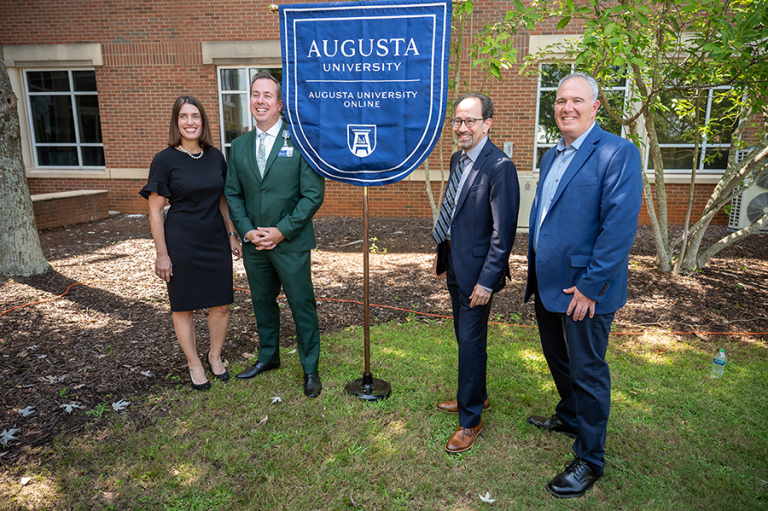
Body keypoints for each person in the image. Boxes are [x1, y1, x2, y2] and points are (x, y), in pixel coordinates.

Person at [524, 72, 642, 498]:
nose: (566, 107)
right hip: (548, 283)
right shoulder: (552, 155)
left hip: (585, 291)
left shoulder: (617, 152)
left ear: (595, 106)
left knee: (588, 371)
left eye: (576, 100)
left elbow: (618, 229)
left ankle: (590, 459)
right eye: (559, 101)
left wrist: (592, 287)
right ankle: (570, 415)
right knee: (558, 359)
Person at [224, 72, 325, 398]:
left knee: (302, 305)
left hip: (291, 242)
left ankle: (310, 368)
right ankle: (269, 357)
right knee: (262, 303)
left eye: (268, 95)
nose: (260, 100)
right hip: (255, 244)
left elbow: (313, 195)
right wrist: (246, 230)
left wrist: (281, 231)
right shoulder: (238, 147)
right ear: (249, 101)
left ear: (280, 104)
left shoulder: (301, 142)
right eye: (255, 94)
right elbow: (233, 194)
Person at [432, 93, 519, 453]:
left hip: (478, 274)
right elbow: (455, 210)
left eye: (470, 121)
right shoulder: (457, 159)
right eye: (457, 121)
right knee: (466, 337)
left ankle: (470, 420)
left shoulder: (500, 166)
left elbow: (504, 232)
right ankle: (477, 396)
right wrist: (443, 254)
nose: (462, 127)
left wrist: (487, 280)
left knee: (469, 343)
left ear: (487, 124)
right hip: (455, 262)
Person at [140, 96, 242, 391]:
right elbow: (156, 210)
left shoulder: (215, 156)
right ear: (176, 122)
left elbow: (222, 200)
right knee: (183, 307)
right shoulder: (164, 160)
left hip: (214, 239)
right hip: (181, 241)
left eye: (195, 116)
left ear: (203, 121)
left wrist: (231, 234)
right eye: (183, 116)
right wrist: (162, 254)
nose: (190, 122)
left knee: (222, 303)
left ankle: (214, 355)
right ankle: (194, 363)